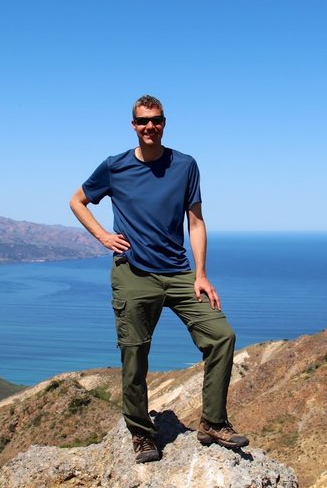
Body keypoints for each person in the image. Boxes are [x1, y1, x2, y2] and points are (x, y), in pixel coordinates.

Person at [69, 95, 249, 463]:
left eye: (157, 120)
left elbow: (195, 222)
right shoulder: (114, 166)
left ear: (165, 123)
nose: (150, 127)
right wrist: (103, 236)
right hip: (133, 273)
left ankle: (213, 422)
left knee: (222, 337)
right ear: (133, 125)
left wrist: (201, 274)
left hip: (179, 272)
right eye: (143, 121)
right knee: (134, 355)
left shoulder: (185, 165)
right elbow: (77, 201)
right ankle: (140, 433)